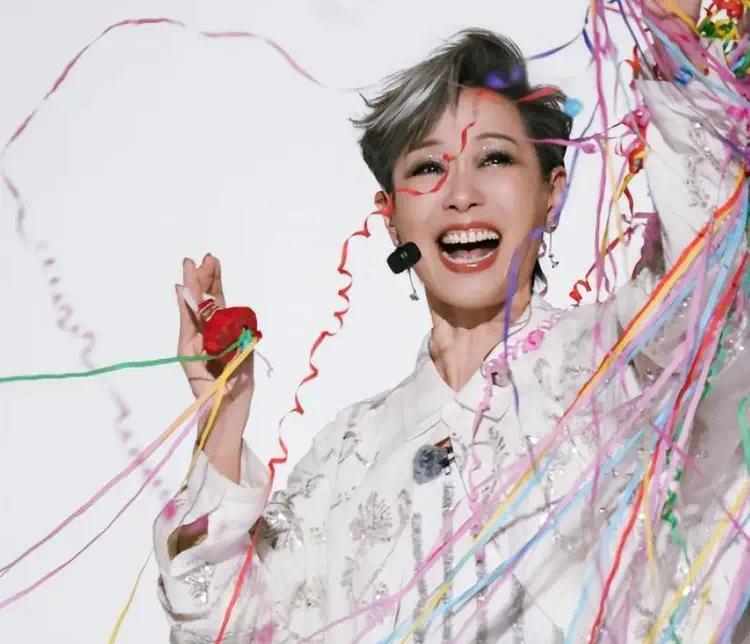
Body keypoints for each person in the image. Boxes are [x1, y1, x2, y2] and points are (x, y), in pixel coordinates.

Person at [153, 1, 750, 641]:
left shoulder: (626, 365)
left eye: (494, 159)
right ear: (391, 217)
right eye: (428, 168)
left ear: (551, 193)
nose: (461, 194)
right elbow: (228, 627)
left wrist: (676, 57)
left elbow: (706, 277)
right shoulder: (348, 454)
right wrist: (223, 420)